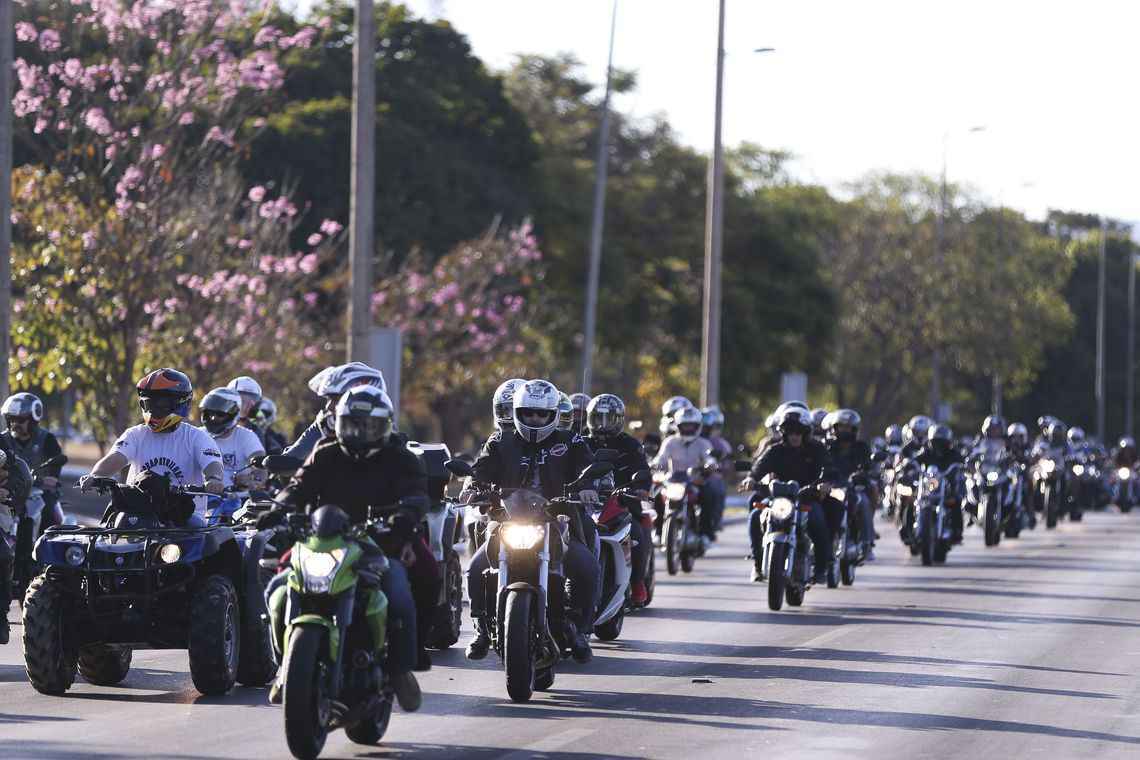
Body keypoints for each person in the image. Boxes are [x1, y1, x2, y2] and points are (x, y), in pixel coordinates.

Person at [264, 385, 426, 710]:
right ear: (338, 423)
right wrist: (279, 508)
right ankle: (285, 668)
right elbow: (299, 485)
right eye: (352, 424)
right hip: (322, 543)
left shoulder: (400, 458)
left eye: (368, 426)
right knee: (277, 588)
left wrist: (405, 517)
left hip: (376, 545)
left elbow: (416, 495)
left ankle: (399, 669)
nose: (359, 433)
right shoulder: (325, 452)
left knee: (398, 594)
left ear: (385, 426)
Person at [464, 379, 600, 663]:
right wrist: (472, 487)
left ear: (553, 415)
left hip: (557, 521)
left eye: (541, 414)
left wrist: (590, 484)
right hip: (507, 521)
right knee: (476, 568)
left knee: (586, 566)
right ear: (516, 412)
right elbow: (481, 469)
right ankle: (479, 628)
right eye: (527, 413)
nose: (534, 419)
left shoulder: (569, 440)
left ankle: (578, 630)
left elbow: (587, 466)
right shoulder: (500, 441)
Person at [82, 369, 224, 525]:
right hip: (137, 511)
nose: (154, 409)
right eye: (149, 403)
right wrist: (95, 475)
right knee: (108, 530)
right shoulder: (135, 434)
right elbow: (116, 457)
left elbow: (212, 463)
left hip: (183, 515)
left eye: (161, 404)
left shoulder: (197, 438)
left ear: (181, 403)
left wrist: (214, 479)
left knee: (199, 531)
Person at [746, 406, 832, 583]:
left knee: (817, 519)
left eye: (799, 432)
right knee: (755, 515)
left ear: (806, 432)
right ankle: (757, 563)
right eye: (790, 431)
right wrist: (750, 479)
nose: (794, 435)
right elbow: (758, 468)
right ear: (783, 432)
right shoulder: (775, 450)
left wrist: (824, 484)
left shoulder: (817, 449)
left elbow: (829, 469)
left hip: (807, 498)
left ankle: (822, 567)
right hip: (778, 499)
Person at [584, 393, 652, 606]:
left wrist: (641, 488)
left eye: (609, 418)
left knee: (638, 535)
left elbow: (642, 470)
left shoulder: (630, 444)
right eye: (598, 418)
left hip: (621, 505)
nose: (603, 424)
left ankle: (639, 583)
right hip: (585, 505)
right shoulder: (580, 442)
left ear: (619, 419)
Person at [283, 362, 386, 462]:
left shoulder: (391, 441)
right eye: (329, 399)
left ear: (363, 399)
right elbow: (293, 456)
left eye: (337, 399)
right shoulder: (327, 424)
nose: (329, 406)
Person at [651, 406, 717, 548]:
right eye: (684, 425)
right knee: (656, 496)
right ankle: (657, 531)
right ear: (678, 426)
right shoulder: (669, 442)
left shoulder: (703, 443)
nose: (688, 429)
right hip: (672, 481)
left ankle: (706, 534)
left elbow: (709, 457)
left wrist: (710, 464)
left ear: (698, 426)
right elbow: (661, 458)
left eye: (691, 425)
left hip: (694, 481)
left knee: (709, 495)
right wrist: (655, 464)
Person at [1, 392, 64, 529]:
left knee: (49, 511)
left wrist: (49, 480)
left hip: (39, 492)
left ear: (33, 419)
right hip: (9, 491)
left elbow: (54, 474)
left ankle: (45, 546)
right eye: (12, 419)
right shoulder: (3, 440)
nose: (15, 424)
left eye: (21, 420)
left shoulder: (47, 440)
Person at [821, 409, 877, 560]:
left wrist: (864, 474)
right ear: (835, 428)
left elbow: (869, 466)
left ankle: (866, 542)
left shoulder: (862, 447)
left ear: (854, 429)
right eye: (841, 427)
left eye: (848, 427)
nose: (844, 430)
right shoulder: (827, 446)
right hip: (832, 487)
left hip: (854, 487)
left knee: (864, 502)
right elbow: (821, 465)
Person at [198, 388, 265, 490]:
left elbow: (261, 466)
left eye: (220, 414)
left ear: (233, 415)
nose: (213, 418)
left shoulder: (247, 436)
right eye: (210, 413)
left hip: (236, 500)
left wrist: (254, 480)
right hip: (199, 497)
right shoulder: (197, 435)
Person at [0, 436, 32, 644]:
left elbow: (21, 474)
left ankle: (1, 614)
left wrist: (8, 490)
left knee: (3, 555)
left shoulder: (4, 444)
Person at [917, 424, 965, 543]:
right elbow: (915, 460)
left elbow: (962, 461)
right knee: (914, 500)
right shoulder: (927, 453)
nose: (939, 446)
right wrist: (909, 464)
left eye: (942, 443)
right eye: (936, 442)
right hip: (931, 484)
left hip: (947, 485)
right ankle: (911, 527)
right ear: (930, 442)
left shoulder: (953, 454)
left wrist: (965, 465)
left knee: (955, 501)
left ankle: (957, 531)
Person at [700, 405, 732, 534]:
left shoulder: (721, 444)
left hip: (711, 476)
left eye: (715, 427)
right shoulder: (695, 440)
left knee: (716, 488)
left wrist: (720, 467)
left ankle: (714, 522)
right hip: (691, 476)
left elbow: (728, 463)